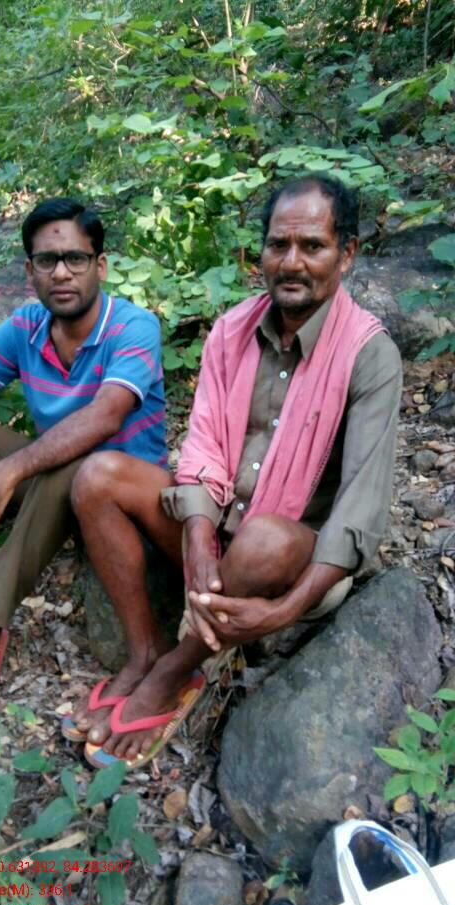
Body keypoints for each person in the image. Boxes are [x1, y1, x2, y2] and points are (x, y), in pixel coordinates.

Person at [66, 174, 403, 770]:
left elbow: (360, 513)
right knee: (97, 476)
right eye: (278, 245)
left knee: (265, 536)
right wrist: (198, 539)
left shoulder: (370, 355)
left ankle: (176, 669)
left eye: (313, 246)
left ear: (346, 253)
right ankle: (143, 654)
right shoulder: (232, 329)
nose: (291, 262)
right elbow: (202, 446)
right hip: (222, 530)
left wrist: (282, 611)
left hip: (292, 556)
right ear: (261, 252)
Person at [0, 197, 167, 721]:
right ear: (29, 272)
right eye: (47, 261)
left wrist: (5, 472)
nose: (62, 273)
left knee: (75, 459)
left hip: (120, 496)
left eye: (76, 258)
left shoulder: (132, 326)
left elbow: (105, 417)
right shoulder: (27, 325)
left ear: (100, 265)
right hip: (56, 485)